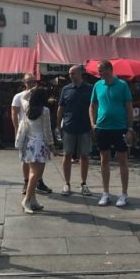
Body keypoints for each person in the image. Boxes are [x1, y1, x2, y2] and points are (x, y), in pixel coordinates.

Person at [89, 60, 134, 207]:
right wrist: (93, 123)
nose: (99, 73)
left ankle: (124, 193)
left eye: (101, 70)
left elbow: (129, 107)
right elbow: (92, 105)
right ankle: (106, 193)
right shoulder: (97, 85)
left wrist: (130, 128)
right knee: (104, 160)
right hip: (102, 128)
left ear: (109, 69)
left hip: (120, 128)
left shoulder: (122, 85)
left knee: (122, 160)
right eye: (98, 70)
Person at [14, 87, 55, 214]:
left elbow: (23, 97)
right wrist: (52, 145)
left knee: (35, 174)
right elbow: (47, 130)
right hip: (41, 143)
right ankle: (26, 200)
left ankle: (33, 200)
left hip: (29, 143)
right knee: (35, 174)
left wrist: (30, 90)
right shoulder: (45, 110)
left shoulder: (27, 108)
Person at [11, 74, 52, 195]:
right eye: (28, 82)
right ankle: (27, 183)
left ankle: (37, 182)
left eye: (33, 82)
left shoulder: (27, 103)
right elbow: (14, 113)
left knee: (39, 162)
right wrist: (16, 129)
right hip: (26, 132)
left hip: (33, 136)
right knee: (26, 160)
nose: (31, 84)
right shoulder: (19, 97)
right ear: (24, 82)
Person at [57, 65, 93, 196]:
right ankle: (67, 183)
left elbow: (94, 106)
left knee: (84, 155)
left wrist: (94, 124)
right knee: (67, 155)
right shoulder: (65, 89)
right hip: (69, 127)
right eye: (69, 74)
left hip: (85, 127)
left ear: (80, 74)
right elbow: (60, 108)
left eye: (73, 73)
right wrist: (57, 125)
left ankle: (83, 183)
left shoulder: (90, 88)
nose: (71, 76)